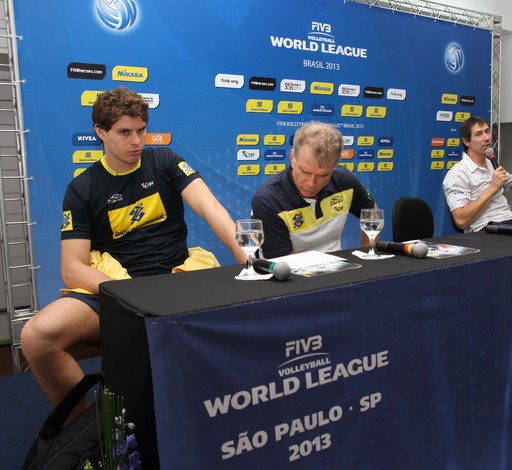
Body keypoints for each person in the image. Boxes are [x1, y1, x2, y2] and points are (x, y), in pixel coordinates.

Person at [20, 86, 247, 417]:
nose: (136, 141)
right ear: (101, 132)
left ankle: (222, 409)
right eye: (124, 132)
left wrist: (250, 261)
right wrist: (126, 296)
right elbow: (72, 268)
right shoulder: (82, 189)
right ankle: (86, 429)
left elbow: (212, 208)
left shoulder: (165, 160)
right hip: (117, 289)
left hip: (176, 279)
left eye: (141, 130)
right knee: (36, 337)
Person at [252, 121, 377, 258]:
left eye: (322, 175)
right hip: (289, 272)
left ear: (334, 167)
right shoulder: (267, 199)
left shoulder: (345, 181)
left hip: (337, 270)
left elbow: (372, 213)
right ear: (293, 158)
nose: (311, 184)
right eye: (305, 172)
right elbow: (284, 263)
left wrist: (367, 255)